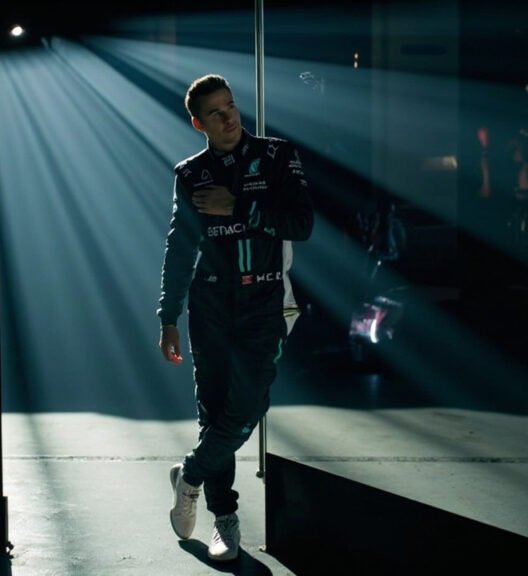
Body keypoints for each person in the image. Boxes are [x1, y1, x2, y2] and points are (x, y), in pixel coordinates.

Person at [157, 74, 313, 561]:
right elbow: (180, 247)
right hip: (209, 307)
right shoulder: (190, 173)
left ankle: (190, 474)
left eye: (231, 107)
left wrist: (239, 205)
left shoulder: (277, 156)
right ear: (198, 122)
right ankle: (226, 520)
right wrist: (167, 316)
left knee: (246, 409)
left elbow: (301, 224)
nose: (230, 119)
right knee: (215, 413)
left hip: (263, 303)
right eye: (217, 113)